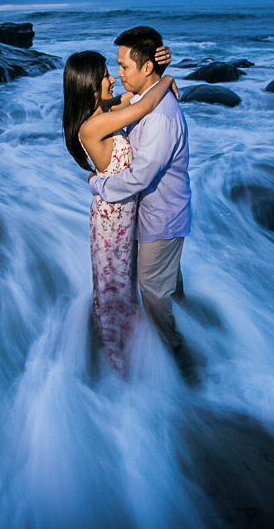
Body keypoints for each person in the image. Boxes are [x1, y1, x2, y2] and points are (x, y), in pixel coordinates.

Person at [87, 26, 194, 382]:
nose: (118, 74)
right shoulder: (141, 100)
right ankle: (189, 321)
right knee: (166, 285)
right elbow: (134, 104)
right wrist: (168, 77)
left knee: (152, 294)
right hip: (145, 216)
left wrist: (98, 184)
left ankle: (179, 354)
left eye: (123, 66)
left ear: (146, 68)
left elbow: (139, 177)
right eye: (113, 69)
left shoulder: (160, 116)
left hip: (161, 219)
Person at [62, 46, 176, 375]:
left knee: (123, 284)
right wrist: (167, 79)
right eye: (104, 78)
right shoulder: (91, 127)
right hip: (111, 225)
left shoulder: (106, 110)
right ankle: (115, 359)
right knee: (114, 288)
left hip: (123, 219)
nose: (112, 79)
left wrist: (157, 67)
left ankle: (126, 348)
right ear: (88, 86)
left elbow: (134, 97)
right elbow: (145, 104)